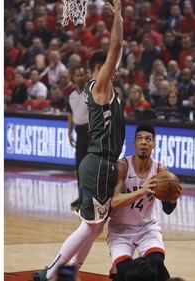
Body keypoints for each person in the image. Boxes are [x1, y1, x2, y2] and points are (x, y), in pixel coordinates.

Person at [32, 0, 125, 280]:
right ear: (100, 67)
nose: (115, 70)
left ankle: (71, 273)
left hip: (100, 163)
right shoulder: (100, 85)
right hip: (98, 162)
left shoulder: (96, 87)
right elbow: (116, 48)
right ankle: (51, 273)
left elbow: (115, 55)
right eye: (110, 66)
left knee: (95, 227)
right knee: (89, 227)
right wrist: (118, 16)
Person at [107, 123, 182, 281]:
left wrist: (172, 199)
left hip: (146, 228)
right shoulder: (123, 166)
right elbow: (114, 202)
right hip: (121, 230)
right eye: (139, 139)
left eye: (148, 139)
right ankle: (117, 271)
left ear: (153, 144)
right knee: (126, 272)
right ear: (134, 143)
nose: (143, 142)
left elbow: (167, 209)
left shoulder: (161, 171)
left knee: (156, 264)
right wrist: (142, 190)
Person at [67, 67, 90, 208]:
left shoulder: (91, 92)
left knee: (89, 168)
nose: (80, 77)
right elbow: (70, 114)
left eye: (82, 74)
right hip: (79, 132)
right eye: (78, 75)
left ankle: (89, 199)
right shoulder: (71, 95)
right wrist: (69, 132)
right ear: (74, 77)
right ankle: (81, 197)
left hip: (91, 132)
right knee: (79, 167)